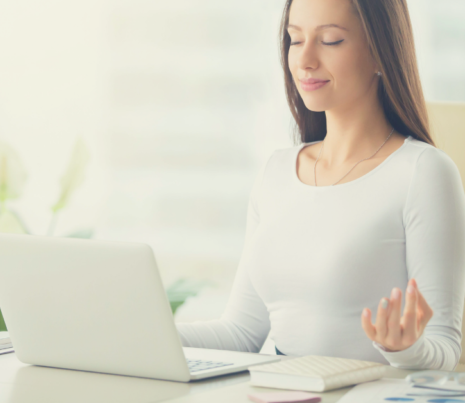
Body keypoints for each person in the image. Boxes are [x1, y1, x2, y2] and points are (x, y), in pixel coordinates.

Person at [176, 0, 465, 371]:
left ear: (381, 51)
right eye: (295, 40)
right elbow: (241, 333)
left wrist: (404, 348)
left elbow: (444, 347)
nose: (305, 60)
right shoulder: (276, 171)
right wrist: (146, 333)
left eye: (330, 40)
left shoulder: (422, 173)